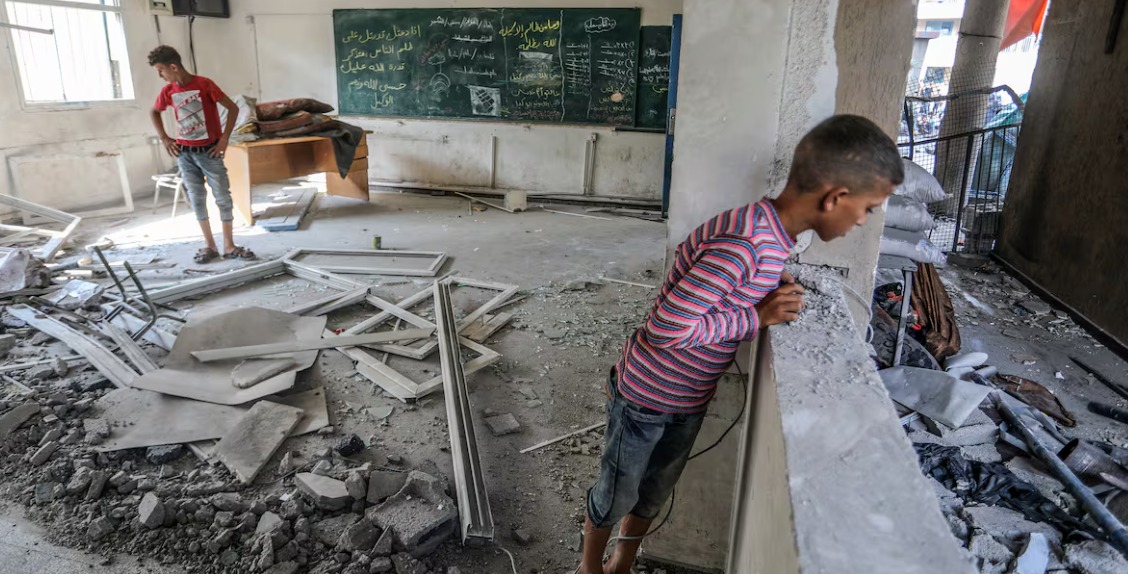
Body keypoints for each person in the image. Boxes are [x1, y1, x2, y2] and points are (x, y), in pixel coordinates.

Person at [578, 114, 904, 574]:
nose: (863, 222)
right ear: (835, 198)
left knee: (652, 494)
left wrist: (766, 286)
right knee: (616, 495)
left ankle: (621, 566)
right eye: (867, 208)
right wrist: (757, 316)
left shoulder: (765, 234)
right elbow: (666, 329)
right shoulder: (748, 242)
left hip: (687, 398)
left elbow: (716, 281)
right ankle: (590, 569)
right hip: (646, 398)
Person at [147, 45, 255, 263]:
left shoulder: (204, 84)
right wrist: (165, 138)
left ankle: (229, 245)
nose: (160, 76)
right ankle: (210, 245)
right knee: (197, 198)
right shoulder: (168, 91)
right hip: (185, 154)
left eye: (161, 70)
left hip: (209, 152)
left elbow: (233, 108)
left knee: (222, 196)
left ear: (173, 67)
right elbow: (154, 112)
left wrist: (224, 139)